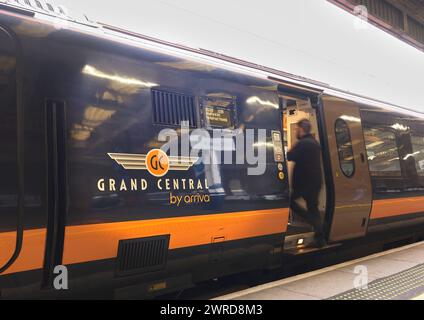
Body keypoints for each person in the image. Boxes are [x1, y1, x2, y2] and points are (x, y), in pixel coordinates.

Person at [287, 119, 327, 247]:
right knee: (313, 209)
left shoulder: (303, 143)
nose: (295, 132)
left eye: (296, 129)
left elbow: (290, 156)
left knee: (288, 201)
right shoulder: (314, 143)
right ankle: (320, 239)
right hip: (314, 183)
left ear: (301, 129)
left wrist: (292, 146)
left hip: (304, 184)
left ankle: (312, 221)